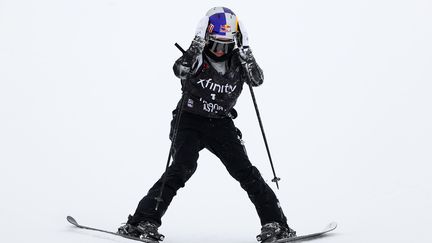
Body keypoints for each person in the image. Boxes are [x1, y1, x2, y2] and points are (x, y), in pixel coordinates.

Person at [117, 7, 296, 243]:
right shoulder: (197, 57)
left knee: (245, 172)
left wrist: (246, 51)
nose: (220, 51)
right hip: (189, 119)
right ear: (205, 39)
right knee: (182, 167)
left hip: (221, 123)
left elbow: (257, 80)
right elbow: (179, 70)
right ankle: (142, 221)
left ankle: (275, 224)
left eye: (226, 45)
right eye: (215, 44)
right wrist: (196, 46)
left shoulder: (239, 61)